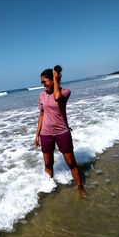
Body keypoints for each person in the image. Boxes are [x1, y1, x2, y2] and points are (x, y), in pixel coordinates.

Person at [35, 65, 86, 198]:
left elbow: (57, 97)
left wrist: (56, 81)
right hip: (45, 134)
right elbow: (41, 114)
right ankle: (49, 188)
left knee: (71, 163)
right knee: (48, 164)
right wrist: (37, 134)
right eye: (42, 83)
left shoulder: (65, 92)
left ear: (53, 79)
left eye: (45, 82)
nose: (43, 85)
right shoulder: (42, 95)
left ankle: (80, 187)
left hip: (62, 132)